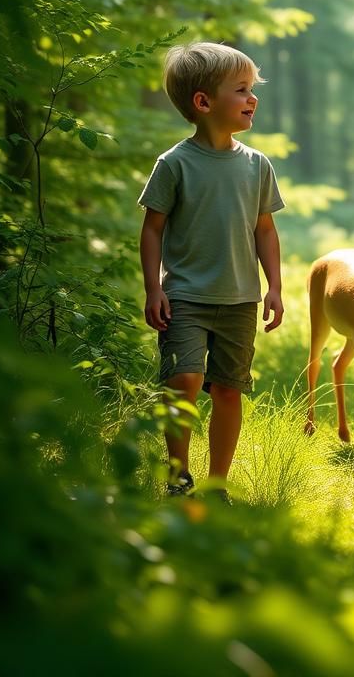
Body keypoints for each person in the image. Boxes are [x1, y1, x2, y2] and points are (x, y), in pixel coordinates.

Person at [138, 41, 284, 499]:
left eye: (252, 89)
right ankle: (178, 475)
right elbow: (152, 229)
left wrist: (275, 287)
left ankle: (217, 483)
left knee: (227, 389)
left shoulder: (257, 165)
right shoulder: (174, 164)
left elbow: (265, 231)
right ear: (203, 103)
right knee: (184, 378)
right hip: (184, 295)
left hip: (240, 297)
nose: (252, 98)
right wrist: (153, 289)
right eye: (240, 89)